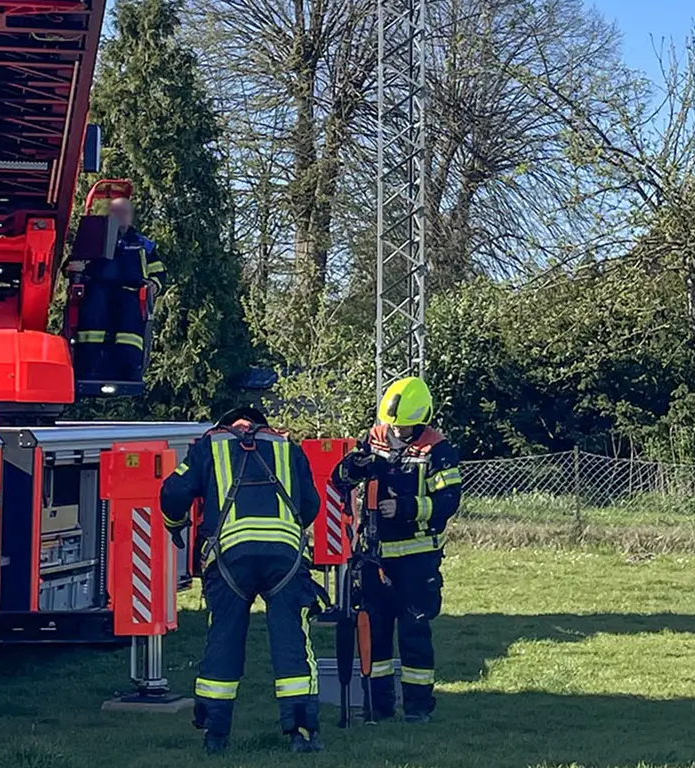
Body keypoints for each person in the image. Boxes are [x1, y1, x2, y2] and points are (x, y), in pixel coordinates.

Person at [158, 405, 323, 754]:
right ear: (262, 425)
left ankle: (215, 735)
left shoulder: (210, 445)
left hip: (230, 558)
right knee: (292, 637)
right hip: (286, 558)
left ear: (226, 425)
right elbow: (310, 504)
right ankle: (302, 734)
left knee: (224, 637)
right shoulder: (286, 446)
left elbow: (172, 493)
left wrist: (176, 528)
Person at [332, 376, 464, 723]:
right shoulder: (375, 438)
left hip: (416, 559)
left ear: (420, 421)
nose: (395, 433)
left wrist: (406, 507)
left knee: (414, 632)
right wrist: (355, 467)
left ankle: (418, 708)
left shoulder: (438, 449)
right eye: (392, 425)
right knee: (374, 632)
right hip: (373, 556)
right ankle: (378, 706)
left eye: (403, 427)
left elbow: (449, 501)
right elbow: (339, 480)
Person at [67, 197, 166, 383]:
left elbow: (159, 272)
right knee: (94, 311)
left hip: (130, 292)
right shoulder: (93, 239)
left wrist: (154, 284)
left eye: (124, 213)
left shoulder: (142, 244)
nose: (120, 217)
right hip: (96, 288)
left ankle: (128, 369)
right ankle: (87, 366)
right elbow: (71, 264)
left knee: (129, 317)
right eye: (116, 212)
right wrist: (72, 267)